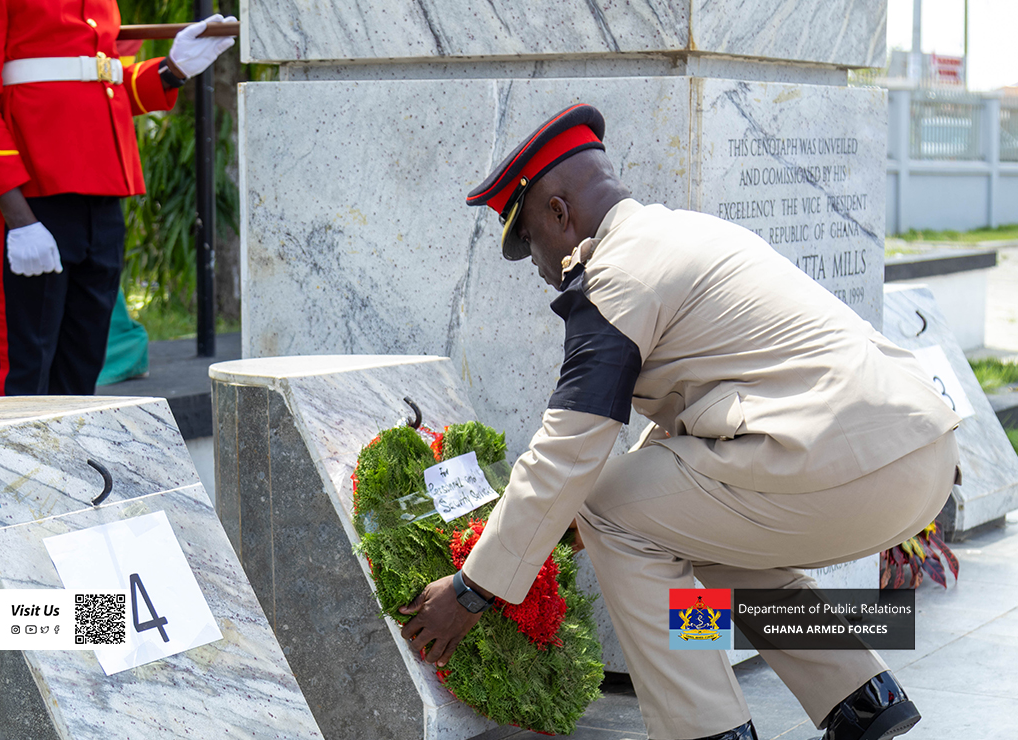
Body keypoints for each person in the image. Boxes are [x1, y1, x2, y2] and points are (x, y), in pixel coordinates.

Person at [398, 104, 961, 740]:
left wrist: (473, 590)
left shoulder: (616, 277)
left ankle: (708, 729)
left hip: (846, 464)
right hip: (912, 452)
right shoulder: (683, 234)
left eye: (528, 239)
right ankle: (860, 698)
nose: (535, 264)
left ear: (559, 211)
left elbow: (566, 453)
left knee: (605, 506)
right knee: (697, 532)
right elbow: (688, 437)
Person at [0, 0, 236, 396]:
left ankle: (67, 460)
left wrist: (172, 70)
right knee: (23, 370)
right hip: (32, 195)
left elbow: (96, 90)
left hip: (103, 192)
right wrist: (21, 220)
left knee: (82, 368)